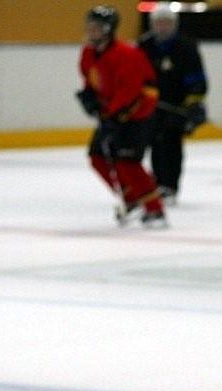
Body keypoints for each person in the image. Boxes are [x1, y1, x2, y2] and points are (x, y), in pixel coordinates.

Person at [77, 5, 167, 228]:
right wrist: (89, 97)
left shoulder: (127, 55)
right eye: (89, 27)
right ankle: (131, 198)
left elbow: (129, 91)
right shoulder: (88, 53)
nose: (91, 32)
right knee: (97, 158)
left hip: (136, 115)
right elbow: (92, 79)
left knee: (128, 162)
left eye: (96, 28)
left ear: (108, 30)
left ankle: (155, 210)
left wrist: (113, 115)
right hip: (112, 115)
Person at [139, 4, 208, 205]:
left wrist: (194, 102)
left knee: (171, 145)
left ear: (174, 24)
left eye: (166, 22)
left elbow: (197, 78)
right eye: (159, 22)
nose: (162, 26)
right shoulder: (145, 45)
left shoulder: (186, 46)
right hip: (152, 107)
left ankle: (170, 186)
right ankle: (157, 183)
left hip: (177, 107)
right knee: (155, 145)